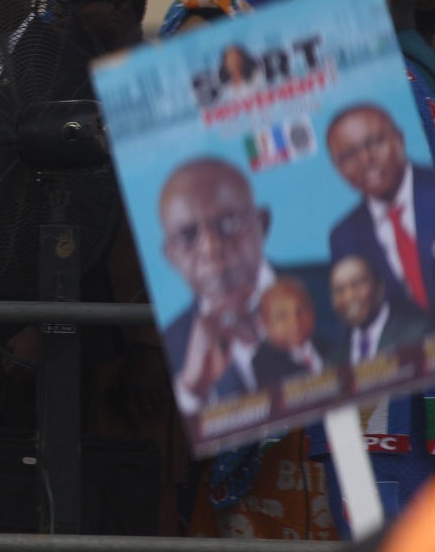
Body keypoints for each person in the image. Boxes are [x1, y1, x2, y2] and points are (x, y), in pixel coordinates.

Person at [156, 158, 320, 417]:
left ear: (262, 224)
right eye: (188, 236)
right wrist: (192, 392)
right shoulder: (169, 349)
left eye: (229, 222)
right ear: (171, 256)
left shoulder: (340, 289)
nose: (211, 248)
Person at [325, 104, 435, 313]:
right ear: (337, 168)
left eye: (375, 142)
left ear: (400, 139)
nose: (366, 160)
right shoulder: (344, 237)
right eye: (349, 155)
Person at [329, 255, 425, 366]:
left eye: (357, 284)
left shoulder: (417, 335)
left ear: (380, 288)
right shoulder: (334, 358)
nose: (349, 297)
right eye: (339, 290)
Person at [249, 277, 325, 389]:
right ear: (264, 323)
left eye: (301, 310)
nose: (295, 323)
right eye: (282, 316)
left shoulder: (328, 347)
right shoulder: (264, 364)